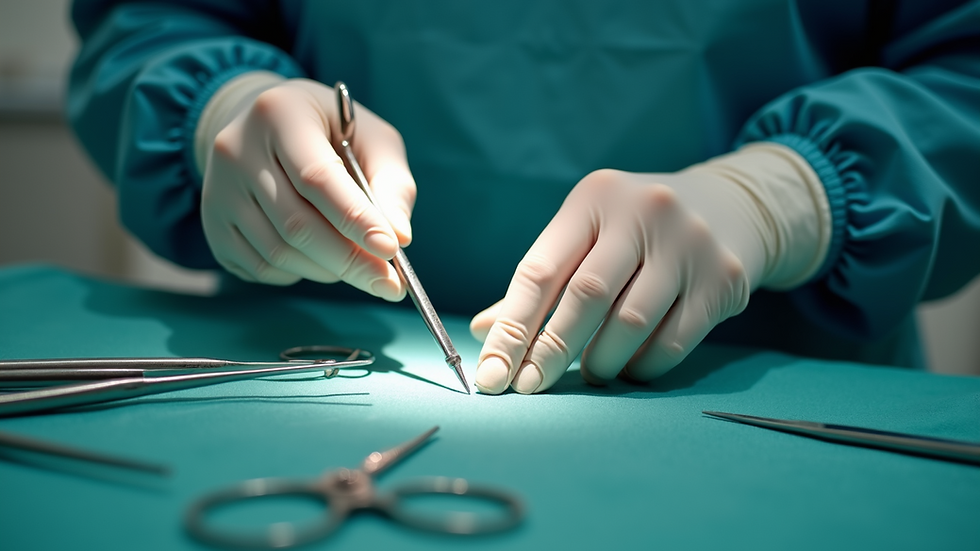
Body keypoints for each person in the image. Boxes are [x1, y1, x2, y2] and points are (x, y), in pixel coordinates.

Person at [68, 1, 980, 394]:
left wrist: (783, 196)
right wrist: (220, 104)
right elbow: (153, 19)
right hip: (304, 357)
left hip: (784, 394)